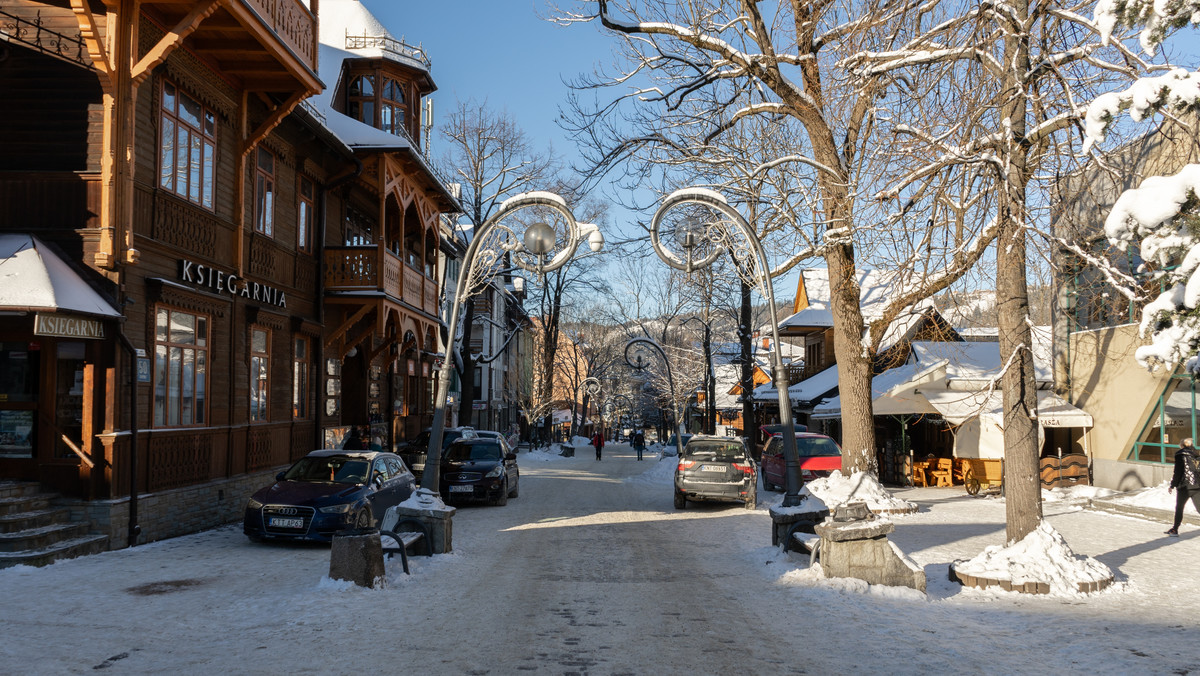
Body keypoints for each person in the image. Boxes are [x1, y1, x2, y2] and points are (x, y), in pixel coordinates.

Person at [1167, 437, 1200, 536]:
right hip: (1197, 486)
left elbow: (1178, 472)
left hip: (1184, 486)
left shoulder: (1180, 454)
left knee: (1179, 508)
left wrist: (1173, 485)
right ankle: (1174, 529)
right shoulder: (1196, 454)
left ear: (1182, 445)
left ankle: (1175, 529)